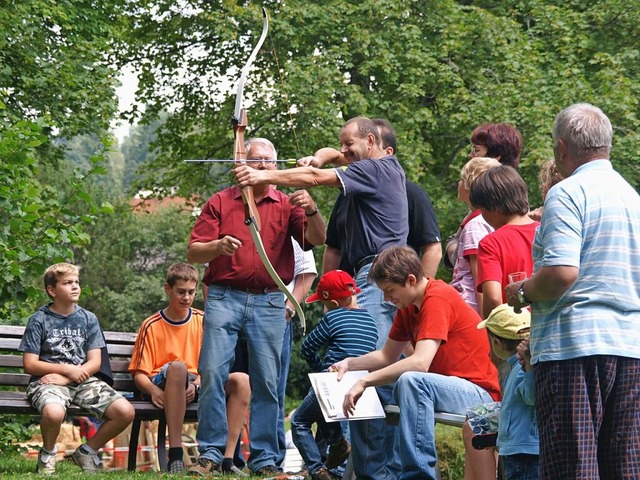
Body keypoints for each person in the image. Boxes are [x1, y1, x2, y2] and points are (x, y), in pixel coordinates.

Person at [235, 116, 408, 479]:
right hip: (373, 273)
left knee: (373, 370)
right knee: (373, 370)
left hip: (378, 274)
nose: (343, 151)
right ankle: (365, 468)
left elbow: (315, 181)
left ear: (373, 143)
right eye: (342, 146)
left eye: (350, 145)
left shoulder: (378, 170)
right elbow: (328, 159)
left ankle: (374, 471)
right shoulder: (369, 163)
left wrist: (262, 176)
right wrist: (320, 156)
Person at [506, 103, 640, 479]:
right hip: (630, 347)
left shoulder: (567, 193)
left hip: (573, 348)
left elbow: (563, 273)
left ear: (562, 148)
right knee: (625, 467)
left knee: (573, 468)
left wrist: (523, 292)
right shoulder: (633, 199)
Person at [187, 137, 326, 476]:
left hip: (269, 300)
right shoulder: (220, 201)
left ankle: (264, 458)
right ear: (242, 164)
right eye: (257, 160)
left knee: (267, 379)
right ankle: (211, 453)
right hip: (223, 295)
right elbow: (193, 252)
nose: (264, 166)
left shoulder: (286, 203)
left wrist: (311, 208)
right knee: (213, 372)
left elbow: (319, 239)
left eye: (270, 161)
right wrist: (217, 246)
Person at [333, 246, 500, 479]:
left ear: (411, 280)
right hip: (446, 387)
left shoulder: (437, 297)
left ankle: (417, 475)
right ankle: (372, 472)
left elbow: (420, 363)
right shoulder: (408, 306)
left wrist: (365, 381)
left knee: (411, 380)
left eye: (390, 291)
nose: (386, 299)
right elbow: (386, 356)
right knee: (382, 385)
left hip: (480, 393)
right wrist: (350, 364)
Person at [19, 263, 135, 474]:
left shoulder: (88, 319)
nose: (75, 287)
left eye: (77, 282)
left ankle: (87, 451)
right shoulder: (39, 320)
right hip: (47, 381)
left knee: (125, 412)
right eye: (68, 283)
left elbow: (94, 362)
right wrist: (66, 370)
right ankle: (47, 455)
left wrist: (70, 376)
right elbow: (30, 364)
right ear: (52, 290)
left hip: (81, 380)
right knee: (54, 414)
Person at [322, 119, 442, 277]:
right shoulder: (349, 191)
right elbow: (333, 248)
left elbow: (433, 248)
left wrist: (420, 297)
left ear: (387, 152)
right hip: (349, 288)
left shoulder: (412, 193)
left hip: (385, 280)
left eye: (373, 142)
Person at [291, 270, 378, 480]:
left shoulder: (333, 316)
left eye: (323, 302)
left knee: (299, 422)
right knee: (324, 414)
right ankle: (338, 445)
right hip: (361, 386)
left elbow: (307, 348)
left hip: (335, 380)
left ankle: (317, 470)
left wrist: (321, 370)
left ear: (334, 304)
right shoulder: (371, 321)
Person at [445, 122, 523, 271]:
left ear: (495, 158)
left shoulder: (485, 214)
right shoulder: (513, 199)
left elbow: (479, 273)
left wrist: (458, 248)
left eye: (476, 150)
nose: (470, 156)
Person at [469, 165, 539, 321]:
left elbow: (493, 298)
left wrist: (492, 328)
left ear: (494, 208)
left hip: (514, 331)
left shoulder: (491, 243)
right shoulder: (546, 230)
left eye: (482, 211)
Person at [476, 305, 538, 480]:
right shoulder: (515, 367)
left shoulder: (522, 368)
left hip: (524, 453)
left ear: (496, 342)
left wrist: (529, 369)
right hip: (515, 449)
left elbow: (532, 396)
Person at [277, 240, 317, 469]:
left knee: (298, 419)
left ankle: (313, 466)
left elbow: (309, 346)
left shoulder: (331, 322)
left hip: (328, 386)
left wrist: (288, 308)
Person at [448, 157, 501, 314]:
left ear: (470, 186)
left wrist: (486, 324)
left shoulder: (476, 226)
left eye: (461, 179)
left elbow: (481, 281)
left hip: (470, 308)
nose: (458, 184)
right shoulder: (485, 220)